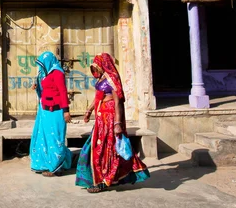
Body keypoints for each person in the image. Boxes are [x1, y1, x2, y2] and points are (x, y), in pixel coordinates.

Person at [75, 53, 150, 193]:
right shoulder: (102, 79)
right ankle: (102, 178)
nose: (95, 71)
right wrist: (89, 110)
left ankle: (104, 181)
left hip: (110, 119)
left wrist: (117, 124)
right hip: (100, 120)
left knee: (108, 150)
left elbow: (117, 103)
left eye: (96, 67)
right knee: (95, 149)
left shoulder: (113, 79)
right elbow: (98, 97)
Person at [29, 51, 72, 177]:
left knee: (56, 139)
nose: (41, 67)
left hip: (56, 112)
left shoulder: (58, 73)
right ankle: (46, 164)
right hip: (46, 111)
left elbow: (63, 92)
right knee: (46, 139)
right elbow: (45, 90)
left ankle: (55, 168)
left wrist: (66, 111)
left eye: (42, 65)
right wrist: (37, 86)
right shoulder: (46, 74)